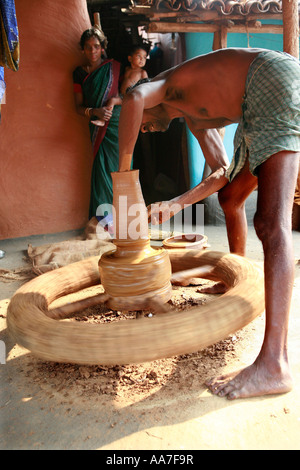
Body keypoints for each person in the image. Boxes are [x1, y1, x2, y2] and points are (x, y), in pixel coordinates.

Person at [117, 47, 300, 400]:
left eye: (140, 126)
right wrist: (175, 204)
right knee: (230, 198)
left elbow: (134, 97)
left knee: (270, 223)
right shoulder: (194, 117)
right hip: (257, 102)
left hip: (270, 81)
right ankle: (234, 274)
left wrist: (124, 180)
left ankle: (274, 364)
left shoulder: (162, 85)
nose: (146, 131)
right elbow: (221, 174)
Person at [73, 27, 122, 220]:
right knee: (101, 171)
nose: (92, 51)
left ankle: (124, 219)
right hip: (96, 125)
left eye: (96, 46)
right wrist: (95, 111)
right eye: (88, 47)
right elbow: (77, 107)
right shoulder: (78, 74)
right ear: (82, 50)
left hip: (116, 124)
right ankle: (105, 222)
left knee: (119, 169)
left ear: (102, 48)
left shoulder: (115, 68)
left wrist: (112, 103)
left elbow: (130, 97)